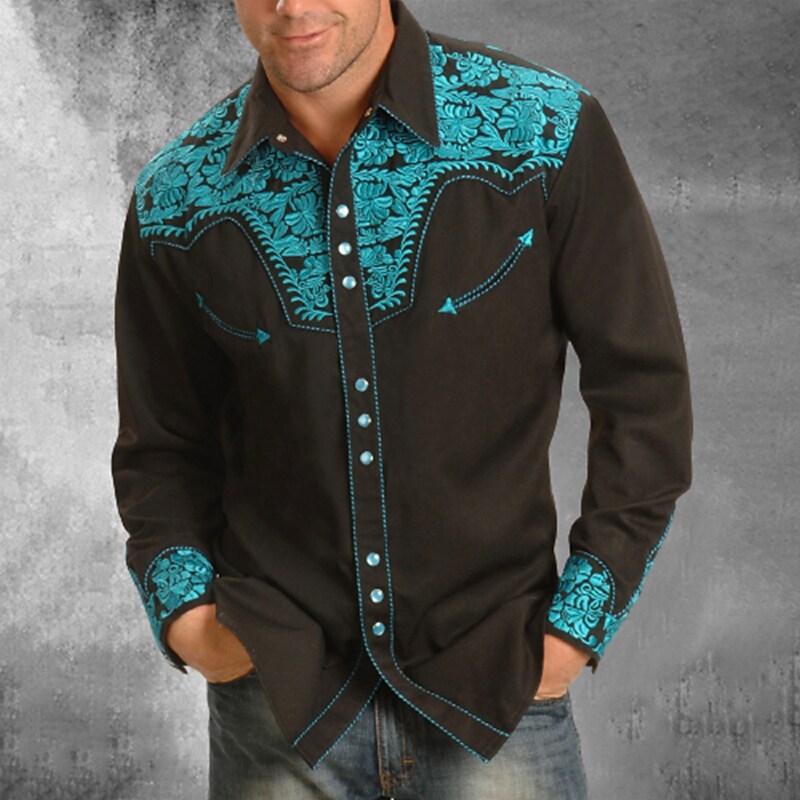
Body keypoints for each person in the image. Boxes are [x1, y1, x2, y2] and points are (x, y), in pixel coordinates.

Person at [112, 0, 692, 797]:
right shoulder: (176, 197)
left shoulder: (544, 131)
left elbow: (644, 391)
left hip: (495, 694)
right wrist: (189, 622)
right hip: (277, 710)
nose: (292, 5)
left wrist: (574, 628)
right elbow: (161, 450)